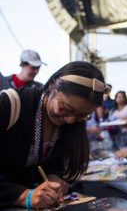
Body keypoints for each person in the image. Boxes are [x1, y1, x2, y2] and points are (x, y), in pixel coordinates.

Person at [0, 61, 109, 209]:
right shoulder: (9, 105)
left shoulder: (69, 124)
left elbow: (52, 162)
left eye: (82, 116)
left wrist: (54, 175)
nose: (70, 120)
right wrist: (23, 195)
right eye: (65, 108)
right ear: (53, 85)